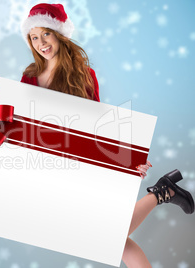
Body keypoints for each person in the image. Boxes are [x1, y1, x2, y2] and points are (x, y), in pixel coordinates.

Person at [20, 3, 194, 267]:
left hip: (81, 166)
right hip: (49, 166)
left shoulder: (83, 75)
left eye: (46, 34)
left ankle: (161, 192)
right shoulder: (29, 78)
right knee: (114, 242)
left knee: (107, 239)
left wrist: (126, 160)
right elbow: (23, 124)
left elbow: (99, 127)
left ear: (58, 34)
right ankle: (162, 192)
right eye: (34, 37)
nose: (41, 42)